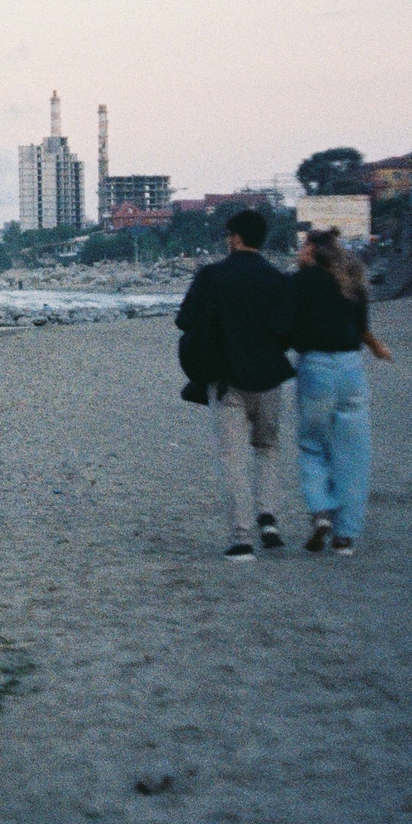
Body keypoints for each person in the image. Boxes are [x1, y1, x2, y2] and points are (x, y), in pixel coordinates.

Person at [173, 208, 296, 560]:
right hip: (269, 377)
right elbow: (287, 329)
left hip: (226, 377)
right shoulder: (278, 279)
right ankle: (268, 518)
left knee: (232, 457)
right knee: (267, 447)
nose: (228, 240)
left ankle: (241, 538)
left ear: (237, 238)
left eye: (229, 235)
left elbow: (185, 320)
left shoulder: (211, 276)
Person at [290, 228, 393, 557]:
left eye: (302, 246)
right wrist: (377, 348)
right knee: (353, 453)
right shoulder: (352, 281)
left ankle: (321, 511)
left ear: (312, 250)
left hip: (315, 365)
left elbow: (284, 325)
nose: (298, 252)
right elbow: (362, 328)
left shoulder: (300, 282)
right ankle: (345, 536)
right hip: (351, 368)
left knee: (313, 445)